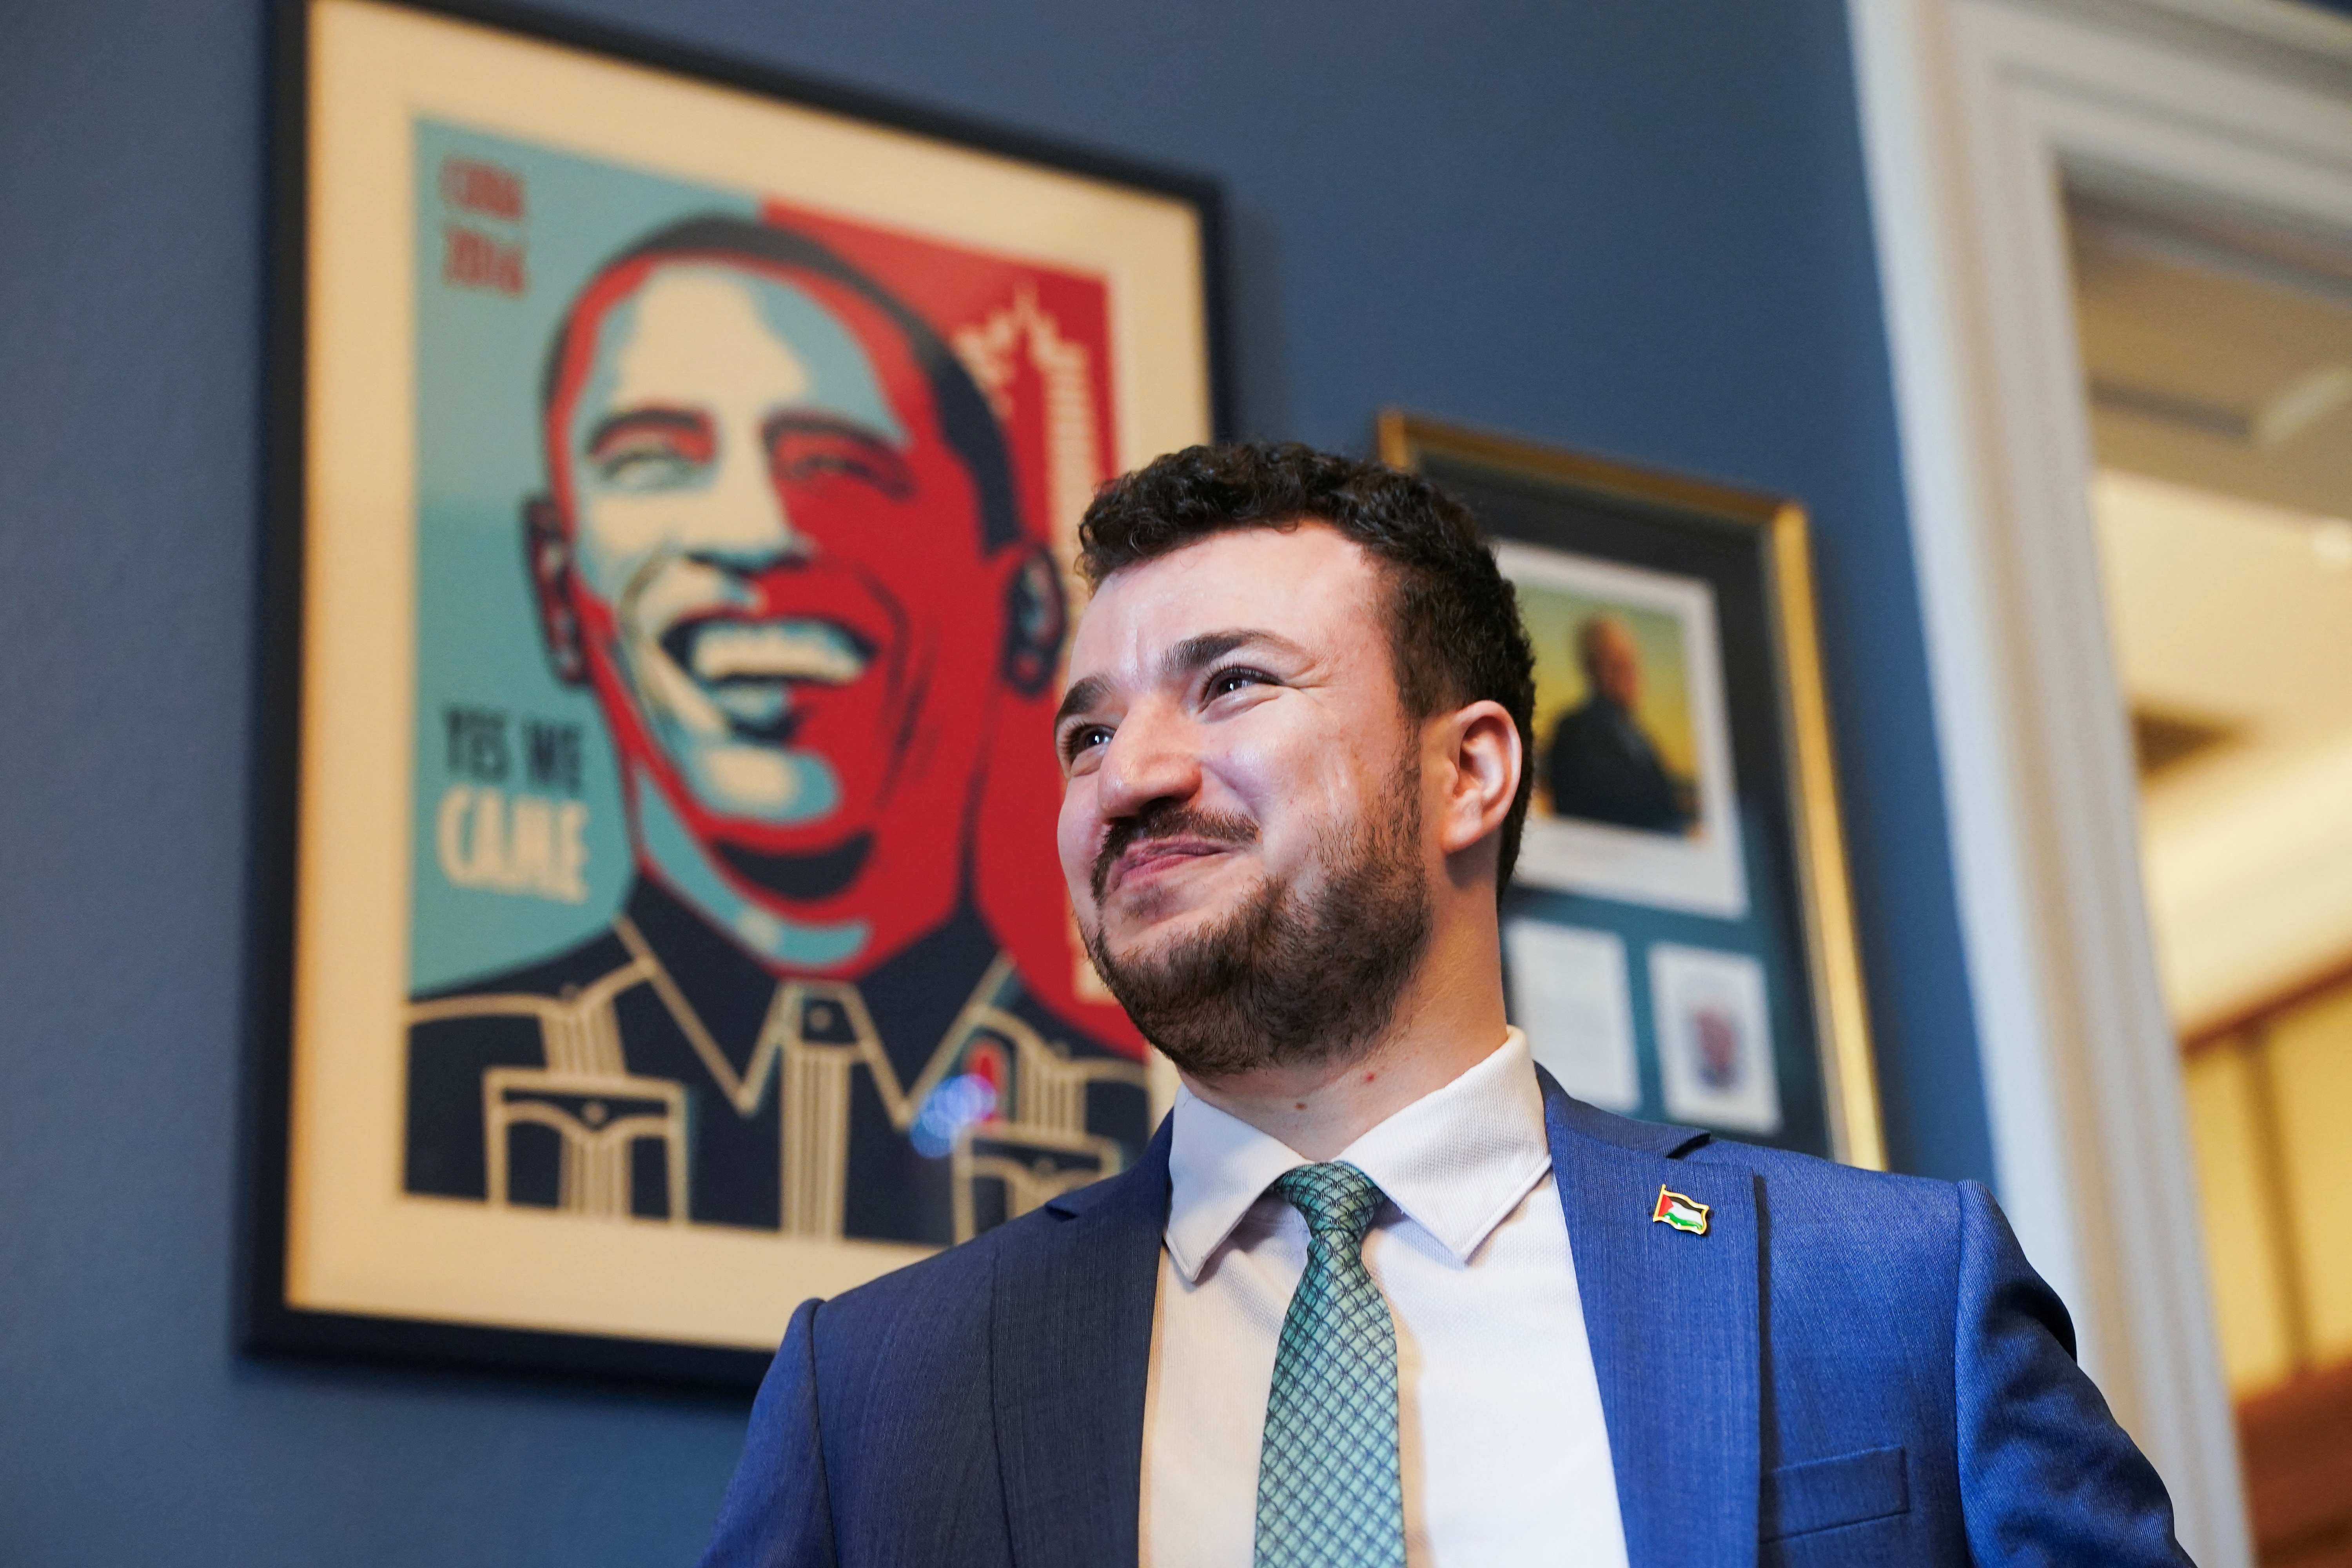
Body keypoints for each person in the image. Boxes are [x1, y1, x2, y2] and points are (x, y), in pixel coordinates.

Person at [698, 444, 2189, 1566]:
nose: (1128, 775)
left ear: (1467, 770)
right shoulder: (878, 1390)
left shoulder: (1886, 1294)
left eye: (1227, 686)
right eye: (1086, 731)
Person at [404, 215, 1147, 1245]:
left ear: (1025, 611)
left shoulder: (1168, 1152)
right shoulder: (433, 1082)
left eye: (841, 466)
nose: (753, 532)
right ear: (555, 587)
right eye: (656, 459)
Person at [1544, 613, 1691, 833]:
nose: (1632, 675)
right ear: (1593, 669)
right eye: (1619, 665)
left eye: (1633, 664)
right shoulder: (1575, 731)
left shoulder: (1637, 735)